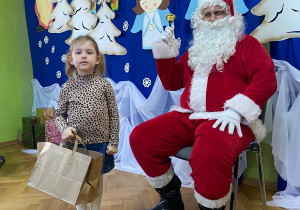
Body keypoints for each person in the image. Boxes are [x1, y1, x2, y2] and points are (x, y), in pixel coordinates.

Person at [129, 0, 277, 209]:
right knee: (141, 137)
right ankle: (170, 200)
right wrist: (166, 54)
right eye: (207, 14)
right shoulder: (196, 51)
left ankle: (211, 207)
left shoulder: (249, 46)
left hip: (229, 118)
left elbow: (266, 81)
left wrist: (237, 110)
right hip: (189, 115)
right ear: (200, 19)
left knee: (208, 154)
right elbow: (172, 83)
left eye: (219, 12)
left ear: (231, 16)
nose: (213, 18)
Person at [55, 35, 119, 210]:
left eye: (89, 52)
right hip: (77, 144)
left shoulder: (104, 85)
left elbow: (114, 115)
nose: (84, 56)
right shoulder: (67, 88)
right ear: (71, 59)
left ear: (97, 59)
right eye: (79, 52)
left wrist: (113, 142)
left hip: (100, 143)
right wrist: (64, 129)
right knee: (78, 180)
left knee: (96, 180)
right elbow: (59, 115)